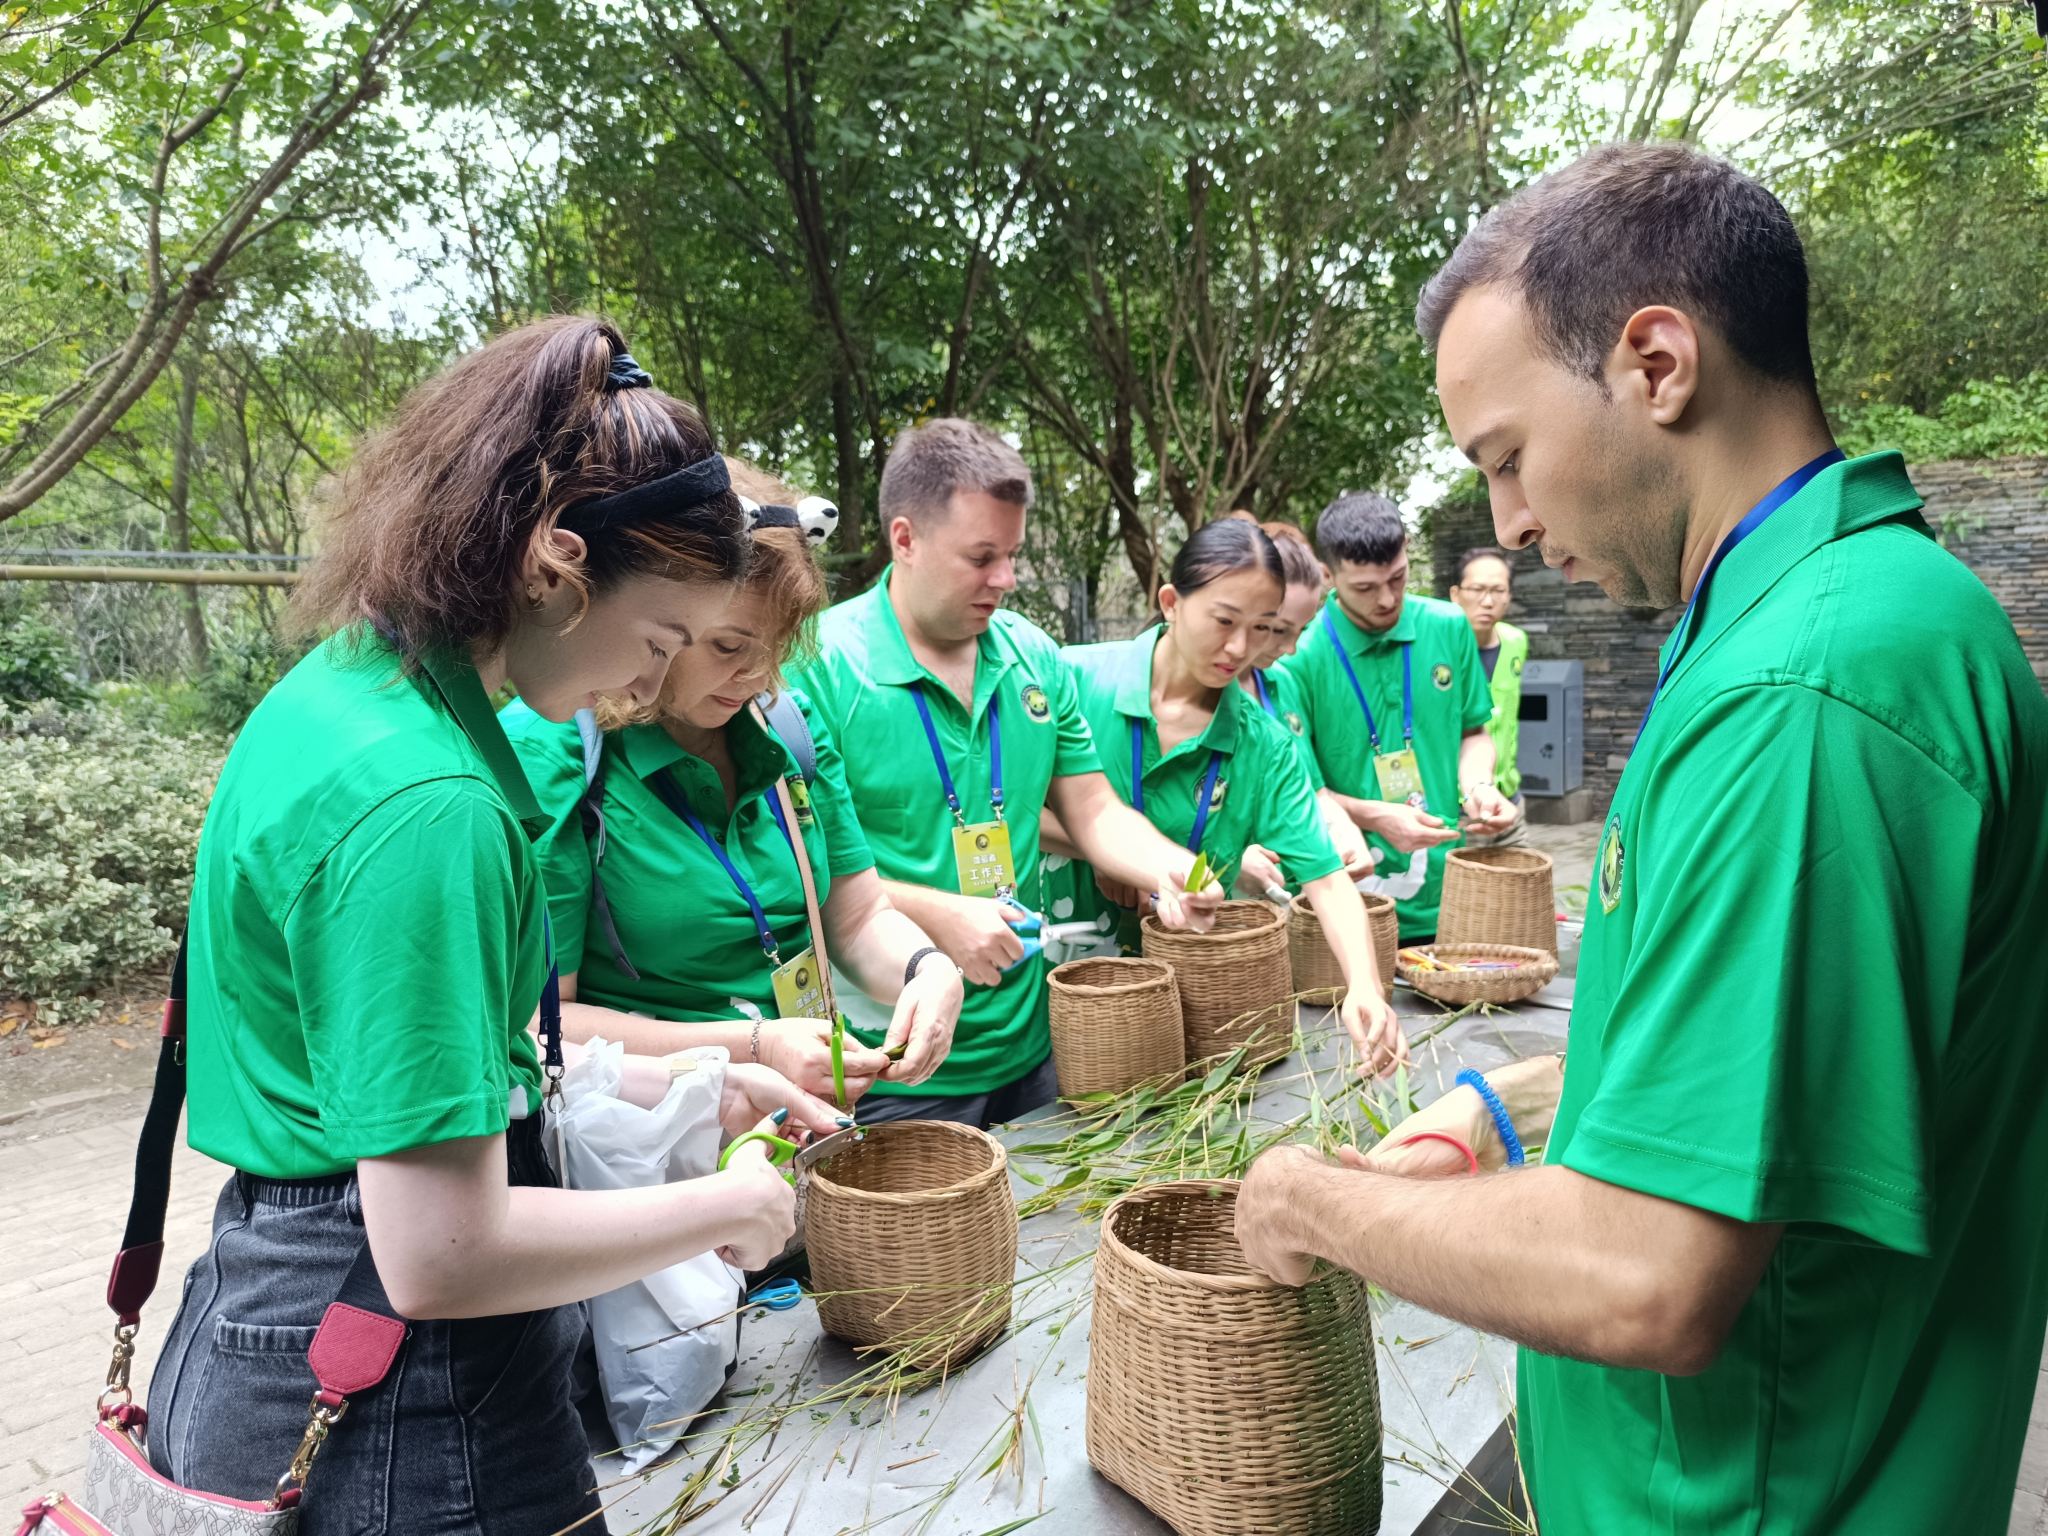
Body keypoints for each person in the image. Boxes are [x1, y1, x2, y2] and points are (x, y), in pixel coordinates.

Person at [1233, 142, 2048, 1536]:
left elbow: (1646, 1273)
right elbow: (1791, 1065)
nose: (1511, 521)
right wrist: (1510, 1107)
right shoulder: (1817, 616)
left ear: (1657, 362)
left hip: (1754, 1494)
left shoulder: (1805, 697)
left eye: (1507, 458)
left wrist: (1310, 1203)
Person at [147, 318, 840, 1535]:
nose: (645, 682)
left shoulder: (358, 687)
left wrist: (699, 1075)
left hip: (286, 1310)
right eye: (661, 637)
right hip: (396, 1402)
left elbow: (407, 1063)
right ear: (556, 563)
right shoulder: (427, 806)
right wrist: (726, 1208)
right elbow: (442, 1248)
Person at [795, 418, 1222, 1128]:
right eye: (982, 556)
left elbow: (1095, 810)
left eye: (1014, 554)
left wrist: (1172, 868)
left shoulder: (1033, 658)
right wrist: (935, 914)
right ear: (905, 540)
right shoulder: (822, 667)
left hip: (1032, 1046)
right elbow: (806, 880)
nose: (1007, 579)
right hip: (893, 1068)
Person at [502, 460, 965, 1106]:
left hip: (802, 1119)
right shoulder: (556, 749)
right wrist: (752, 1049)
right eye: (727, 647)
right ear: (666, 617)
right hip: (658, 1143)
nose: (757, 675)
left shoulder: (787, 728)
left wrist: (929, 968)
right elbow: (540, 1026)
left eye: (775, 647)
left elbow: (858, 919)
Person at [1047, 519, 1404, 1076]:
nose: (1241, 648)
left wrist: (1364, 984)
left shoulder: (1263, 745)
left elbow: (1328, 880)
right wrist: (1099, 850)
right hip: (1042, 991)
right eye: (1224, 620)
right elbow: (1007, 809)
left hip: (1180, 1007)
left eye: (1262, 627)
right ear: (1171, 601)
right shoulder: (1070, 681)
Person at [1276, 492, 1518, 940]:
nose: (1387, 599)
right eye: (1365, 588)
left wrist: (1480, 786)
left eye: (1398, 578)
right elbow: (1301, 792)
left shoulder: (1449, 625)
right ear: (1328, 576)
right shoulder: (1297, 659)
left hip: (1449, 895)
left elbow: (1473, 732)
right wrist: (1375, 817)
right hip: (1346, 908)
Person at [1237, 518, 1375, 879]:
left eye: (1302, 629)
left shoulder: (1280, 680)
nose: (1291, 648)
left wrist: (1344, 830)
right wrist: (1230, 859)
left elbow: (1312, 790)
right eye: (1278, 629)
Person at [1448, 547, 1529, 847]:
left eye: (1498, 590)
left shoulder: (1515, 641)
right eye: (1477, 589)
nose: (1488, 600)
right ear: (1456, 594)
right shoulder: (1438, 651)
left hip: (1509, 801)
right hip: (1458, 811)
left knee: (1526, 890)